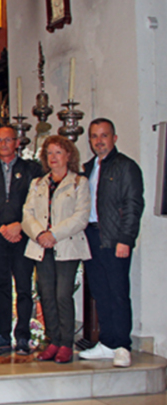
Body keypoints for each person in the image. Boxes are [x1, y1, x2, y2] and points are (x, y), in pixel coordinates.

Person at [78, 119, 144, 368]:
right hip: (92, 237)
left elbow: (133, 205)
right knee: (99, 292)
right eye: (94, 136)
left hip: (114, 238)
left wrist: (125, 239)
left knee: (117, 293)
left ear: (114, 138)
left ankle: (122, 345)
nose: (99, 141)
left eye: (104, 135)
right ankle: (106, 342)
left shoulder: (126, 167)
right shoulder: (88, 168)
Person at [0, 126, 42, 356]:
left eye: (8, 140)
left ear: (16, 143)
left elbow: (39, 204)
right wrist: (1, 227)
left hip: (24, 237)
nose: (3, 144)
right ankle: (2, 334)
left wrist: (19, 224)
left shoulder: (32, 170)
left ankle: (23, 335)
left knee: (24, 287)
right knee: (1, 286)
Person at [22, 135, 91, 364]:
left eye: (58, 152)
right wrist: (40, 234)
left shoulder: (79, 183)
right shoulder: (38, 183)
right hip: (42, 246)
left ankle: (65, 344)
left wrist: (54, 234)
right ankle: (53, 340)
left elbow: (81, 217)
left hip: (66, 245)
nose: (53, 157)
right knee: (46, 294)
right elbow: (27, 214)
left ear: (68, 155)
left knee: (62, 295)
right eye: (49, 153)